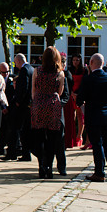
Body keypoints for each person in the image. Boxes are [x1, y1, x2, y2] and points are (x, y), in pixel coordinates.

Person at [76, 53, 107, 183]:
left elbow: (80, 98)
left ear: (91, 63)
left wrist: (84, 103)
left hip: (93, 114)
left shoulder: (88, 79)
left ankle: (99, 172)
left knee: (97, 144)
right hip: (106, 114)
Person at [30, 47, 65, 179]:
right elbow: (60, 92)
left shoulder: (37, 71)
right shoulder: (60, 73)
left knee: (39, 136)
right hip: (53, 105)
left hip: (39, 103)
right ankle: (49, 166)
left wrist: (37, 101)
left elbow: (33, 90)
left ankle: (41, 166)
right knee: (52, 138)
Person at [3, 54, 34, 162]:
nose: (16, 65)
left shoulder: (25, 70)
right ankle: (26, 153)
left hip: (22, 106)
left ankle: (12, 153)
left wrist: (18, 101)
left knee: (15, 129)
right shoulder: (32, 69)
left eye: (16, 63)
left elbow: (24, 87)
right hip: (29, 105)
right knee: (26, 130)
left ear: (19, 61)